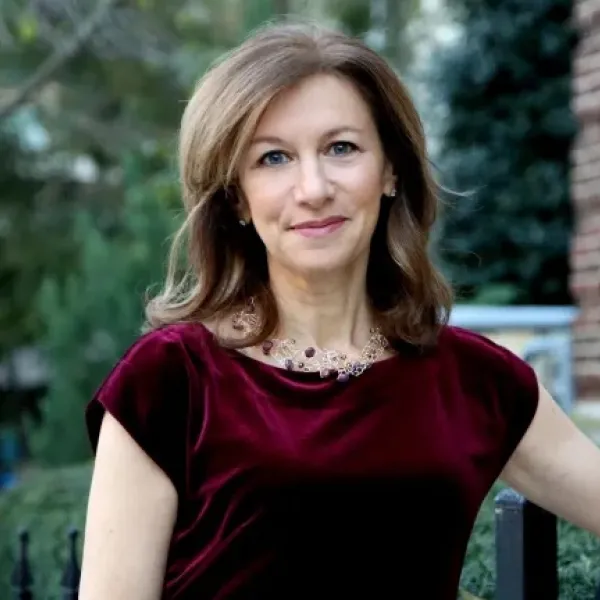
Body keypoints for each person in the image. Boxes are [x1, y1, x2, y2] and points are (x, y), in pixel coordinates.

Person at [79, 20, 600, 600]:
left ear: (391, 171)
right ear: (236, 199)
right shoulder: (170, 379)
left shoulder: (478, 382)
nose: (314, 187)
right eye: (273, 158)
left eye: (341, 148)